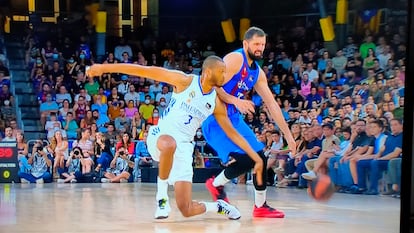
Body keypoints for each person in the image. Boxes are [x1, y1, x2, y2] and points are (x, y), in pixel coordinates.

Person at [86, 56, 263, 220]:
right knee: (169, 143)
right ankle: (161, 198)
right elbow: (144, 70)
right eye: (222, 71)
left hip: (184, 148)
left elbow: (231, 132)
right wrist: (103, 68)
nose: (225, 75)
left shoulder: (215, 102)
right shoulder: (184, 81)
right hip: (160, 136)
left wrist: (254, 156)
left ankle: (218, 207)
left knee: (186, 209)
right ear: (208, 72)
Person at [201, 27, 295, 218]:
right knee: (246, 160)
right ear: (246, 44)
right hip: (216, 118)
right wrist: (235, 100)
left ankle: (260, 206)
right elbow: (212, 84)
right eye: (256, 44)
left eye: (263, 44)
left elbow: (272, 105)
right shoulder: (235, 59)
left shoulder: (258, 73)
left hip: (234, 118)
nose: (260, 48)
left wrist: (289, 136)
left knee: (261, 157)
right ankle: (216, 184)